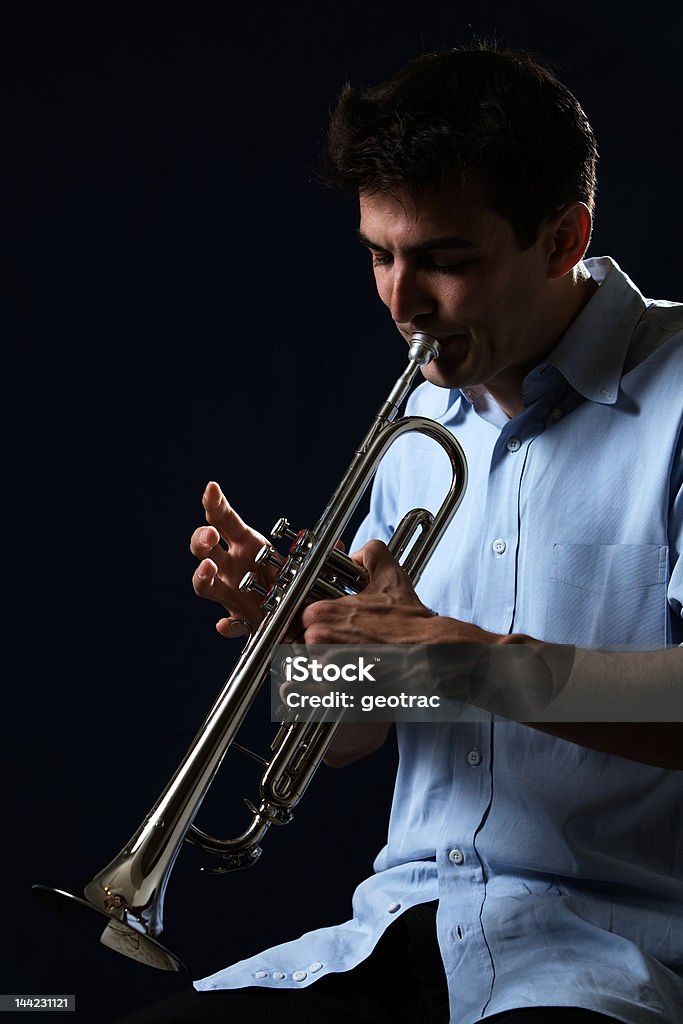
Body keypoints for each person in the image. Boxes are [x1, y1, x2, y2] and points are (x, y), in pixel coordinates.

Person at [119, 43, 683, 1024]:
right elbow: (352, 734)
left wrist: (450, 655)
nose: (398, 300)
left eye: (443, 261)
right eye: (379, 254)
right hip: (394, 930)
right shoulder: (416, 438)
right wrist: (306, 643)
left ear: (561, 239)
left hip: (607, 963)